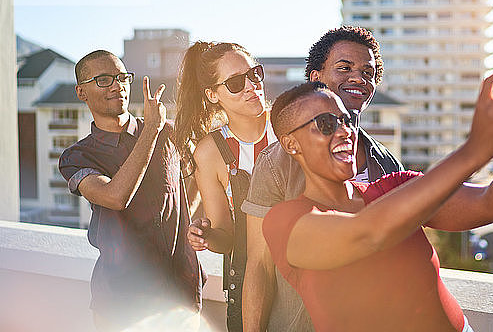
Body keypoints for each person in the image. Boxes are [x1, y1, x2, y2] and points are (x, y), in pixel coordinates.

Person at [263, 55, 493, 331]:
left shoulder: (396, 187)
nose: (345, 132)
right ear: (291, 145)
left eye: (346, 120)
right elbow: (368, 233)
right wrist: (475, 150)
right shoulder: (285, 220)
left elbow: (492, 204)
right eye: (326, 124)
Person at [241, 26, 402, 331]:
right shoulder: (276, 163)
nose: (359, 78)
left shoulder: (387, 163)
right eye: (345, 68)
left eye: (368, 72)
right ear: (316, 79)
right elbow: (259, 265)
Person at [58, 50, 202, 331]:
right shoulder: (76, 156)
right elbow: (115, 197)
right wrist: (150, 131)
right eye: (103, 80)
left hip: (180, 292)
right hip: (119, 300)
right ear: (81, 92)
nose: (117, 86)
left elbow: (199, 175)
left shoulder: (168, 133)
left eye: (122, 77)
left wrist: (188, 219)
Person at [174, 41, 277, 331]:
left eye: (255, 74)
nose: (251, 86)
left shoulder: (287, 125)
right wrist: (205, 235)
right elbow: (226, 238)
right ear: (213, 94)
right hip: (248, 286)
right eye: (235, 82)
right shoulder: (210, 152)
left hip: (303, 275)